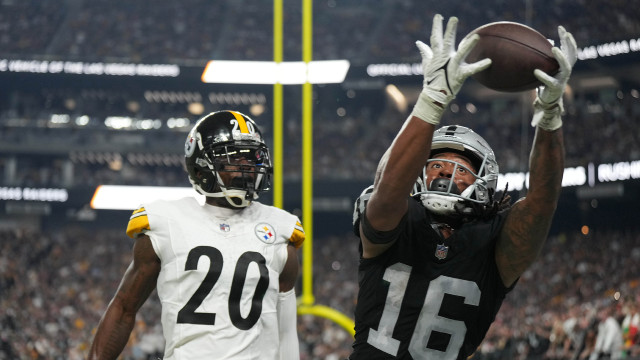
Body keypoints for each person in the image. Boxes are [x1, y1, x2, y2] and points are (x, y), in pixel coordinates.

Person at [350, 14, 577, 360]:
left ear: (484, 181)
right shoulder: (399, 218)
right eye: (437, 164)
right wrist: (433, 97)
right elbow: (387, 189)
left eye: (461, 169)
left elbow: (542, 202)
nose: (445, 173)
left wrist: (549, 114)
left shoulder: (494, 242)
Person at [88, 110, 304, 360]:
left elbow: (285, 327)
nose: (247, 165)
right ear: (201, 168)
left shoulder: (280, 228)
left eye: (252, 156)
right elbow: (124, 308)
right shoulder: (166, 221)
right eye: (234, 156)